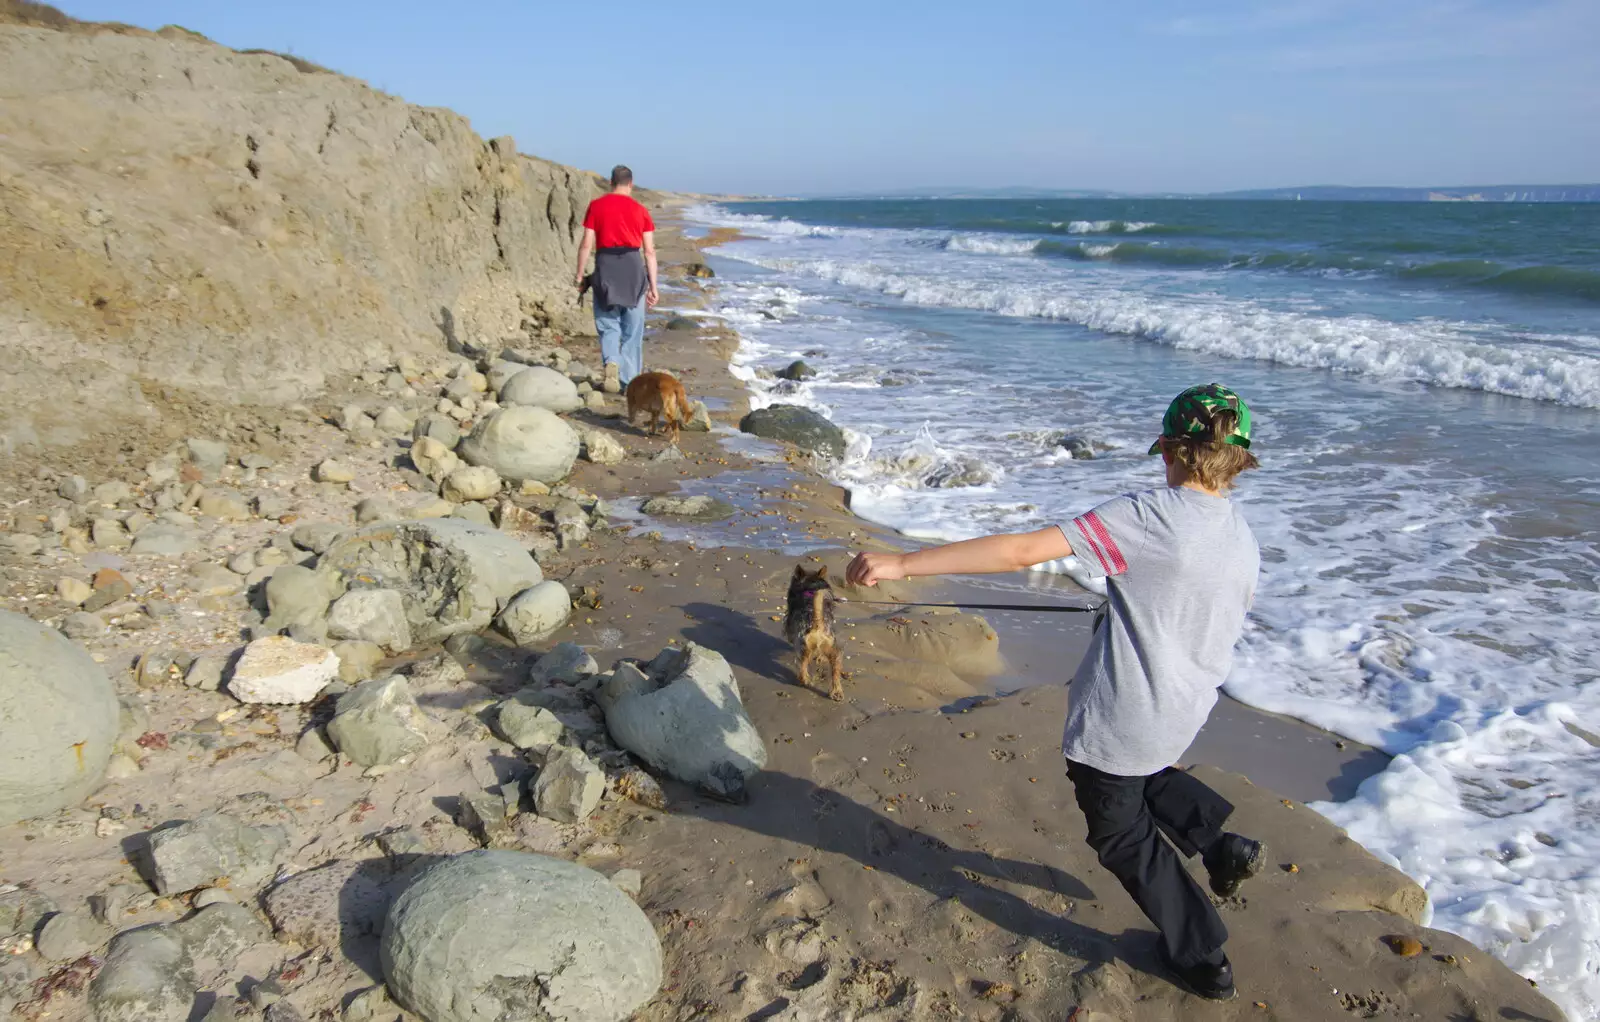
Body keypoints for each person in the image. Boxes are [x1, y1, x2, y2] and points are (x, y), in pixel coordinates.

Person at [845, 384, 1267, 1002]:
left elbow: (1020, 551)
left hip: (1126, 715)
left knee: (1117, 828)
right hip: (1189, 702)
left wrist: (903, 565)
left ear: (1172, 452)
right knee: (1145, 774)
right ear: (1237, 457)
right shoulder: (1240, 534)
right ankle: (1220, 843)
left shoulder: (1146, 517)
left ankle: (1201, 952)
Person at [574, 165, 659, 386]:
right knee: (633, 329)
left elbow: (586, 245)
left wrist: (580, 274)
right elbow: (649, 252)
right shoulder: (641, 210)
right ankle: (628, 381)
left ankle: (611, 360)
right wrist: (654, 286)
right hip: (633, 268)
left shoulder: (596, 206)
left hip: (606, 265)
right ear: (630, 184)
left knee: (608, 322)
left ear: (611, 183)